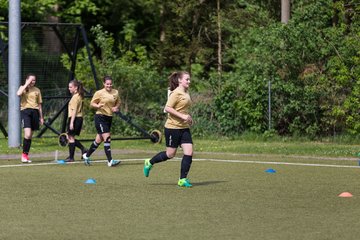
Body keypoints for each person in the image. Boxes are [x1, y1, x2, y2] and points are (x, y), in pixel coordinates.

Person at [144, 71, 194, 187]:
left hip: (184, 128)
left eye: (189, 79)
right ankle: (149, 162)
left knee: (189, 152)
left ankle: (182, 179)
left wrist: (188, 118)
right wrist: (182, 116)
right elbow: (167, 108)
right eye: (187, 79)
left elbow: (183, 110)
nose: (189, 81)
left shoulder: (186, 92)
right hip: (172, 128)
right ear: (180, 80)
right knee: (170, 154)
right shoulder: (175, 93)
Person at [82, 76, 121, 167]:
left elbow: (118, 102)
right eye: (107, 84)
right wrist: (98, 106)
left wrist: (116, 108)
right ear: (104, 84)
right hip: (100, 117)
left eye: (110, 84)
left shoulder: (115, 92)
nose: (109, 85)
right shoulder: (99, 93)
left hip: (109, 117)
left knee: (98, 140)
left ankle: (86, 156)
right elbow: (92, 103)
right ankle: (110, 161)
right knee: (107, 137)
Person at [16, 73, 44, 163]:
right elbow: (18, 93)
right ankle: (23, 155)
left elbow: (39, 105)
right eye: (31, 80)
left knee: (30, 136)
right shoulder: (23, 88)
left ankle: (26, 155)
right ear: (27, 80)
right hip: (25, 111)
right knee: (27, 134)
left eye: (34, 80)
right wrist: (26, 84)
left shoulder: (37, 90)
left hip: (35, 112)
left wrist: (41, 117)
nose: (33, 82)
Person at [65, 80, 87, 162]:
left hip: (75, 118)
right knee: (71, 137)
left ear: (76, 87)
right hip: (79, 118)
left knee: (70, 137)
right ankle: (83, 149)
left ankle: (71, 157)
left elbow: (74, 111)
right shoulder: (79, 96)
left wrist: (71, 122)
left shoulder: (75, 97)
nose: (69, 89)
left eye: (70, 87)